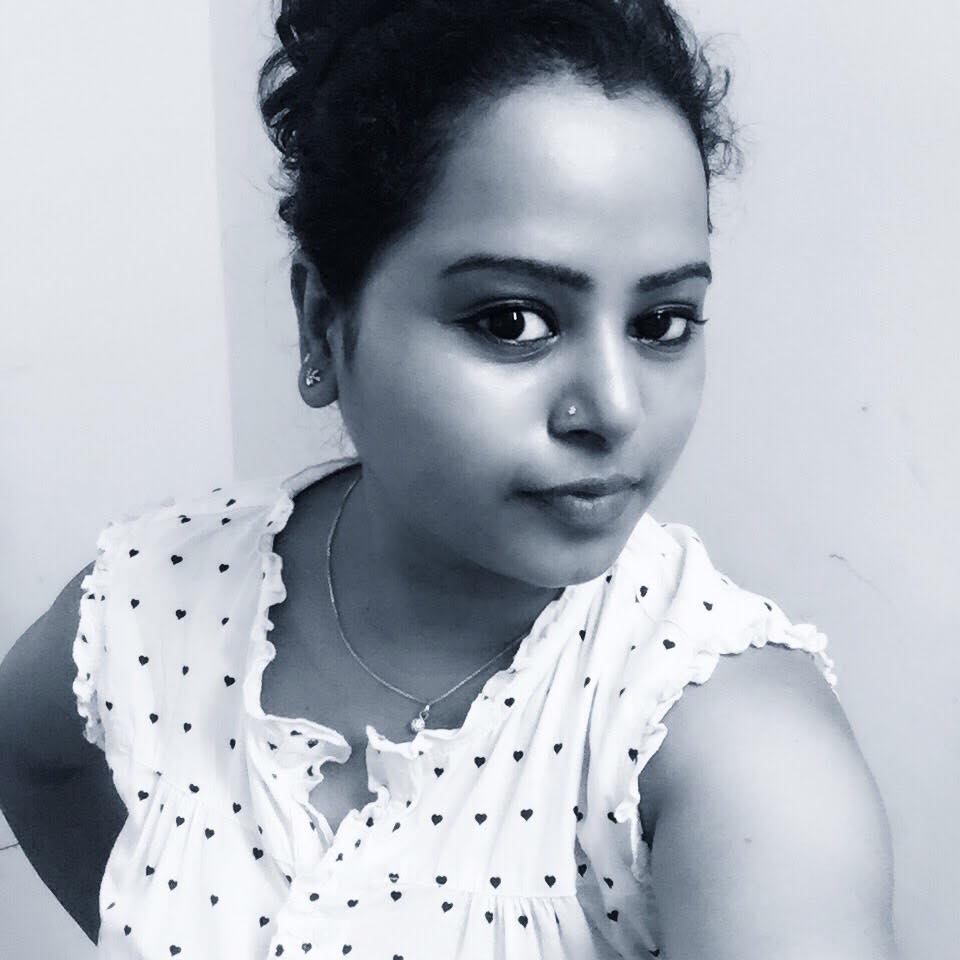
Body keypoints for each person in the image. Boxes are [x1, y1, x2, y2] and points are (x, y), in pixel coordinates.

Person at [0, 0, 899, 957]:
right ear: (323, 324)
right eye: (513, 321)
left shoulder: (734, 747)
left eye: (661, 323)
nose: (614, 408)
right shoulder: (162, 600)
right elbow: (30, 756)